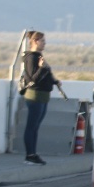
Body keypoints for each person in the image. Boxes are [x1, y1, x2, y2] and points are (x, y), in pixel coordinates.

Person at [22, 30, 61, 165]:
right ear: (35, 41)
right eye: (42, 41)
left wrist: (54, 81)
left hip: (43, 97)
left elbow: (44, 76)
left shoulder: (38, 56)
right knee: (31, 126)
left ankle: (33, 153)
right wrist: (41, 68)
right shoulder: (30, 58)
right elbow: (32, 79)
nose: (44, 44)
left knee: (36, 126)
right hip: (35, 97)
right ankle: (29, 155)